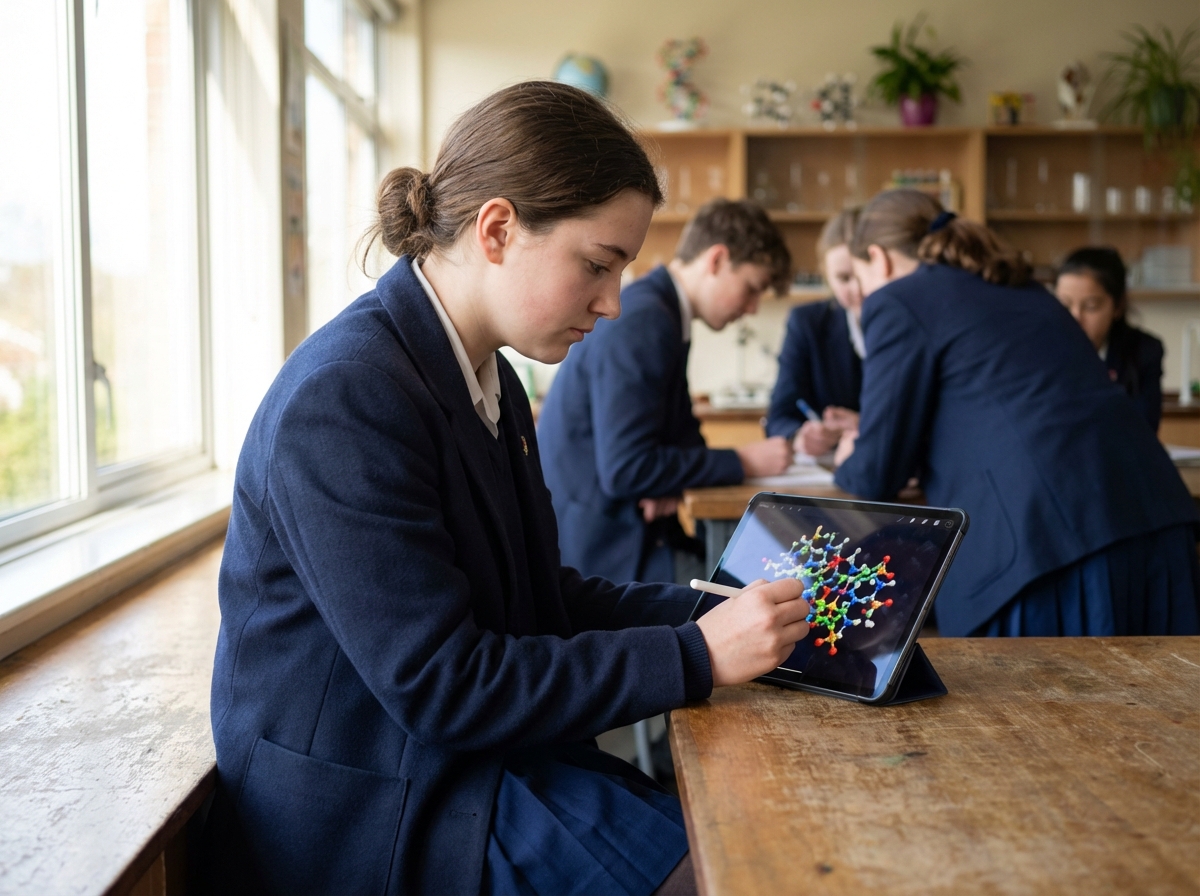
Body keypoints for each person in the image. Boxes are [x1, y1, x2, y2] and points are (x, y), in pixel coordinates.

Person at [202, 82, 812, 896]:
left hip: (473, 758)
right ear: (497, 229)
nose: (613, 302)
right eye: (597, 265)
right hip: (384, 794)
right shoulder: (346, 397)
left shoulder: (488, 378)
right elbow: (443, 685)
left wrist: (720, 615)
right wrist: (697, 654)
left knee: (750, 841)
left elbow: (539, 597)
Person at [832, 189, 1199, 639]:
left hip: (1049, 551)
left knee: (1044, 708)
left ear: (878, 259)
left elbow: (874, 475)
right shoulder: (1022, 288)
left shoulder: (898, 300)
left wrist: (850, 453)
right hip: (1153, 518)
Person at [537, 198, 794, 586]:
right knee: (759, 589)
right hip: (605, 552)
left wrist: (666, 480)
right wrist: (744, 461)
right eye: (751, 289)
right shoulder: (647, 320)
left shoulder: (664, 311)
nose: (753, 308)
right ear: (717, 260)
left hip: (631, 526)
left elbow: (675, 434)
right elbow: (627, 469)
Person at [766, 208, 864, 457]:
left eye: (863, 275)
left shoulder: (911, 325)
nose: (858, 289)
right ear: (827, 277)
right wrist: (800, 436)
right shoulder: (808, 323)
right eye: (843, 278)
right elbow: (778, 417)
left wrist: (866, 425)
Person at [1055, 246, 1164, 431]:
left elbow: (1144, 427)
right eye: (1064, 306)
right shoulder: (1041, 350)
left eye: (1090, 306)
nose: (1075, 318)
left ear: (1118, 307)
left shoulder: (1144, 351)